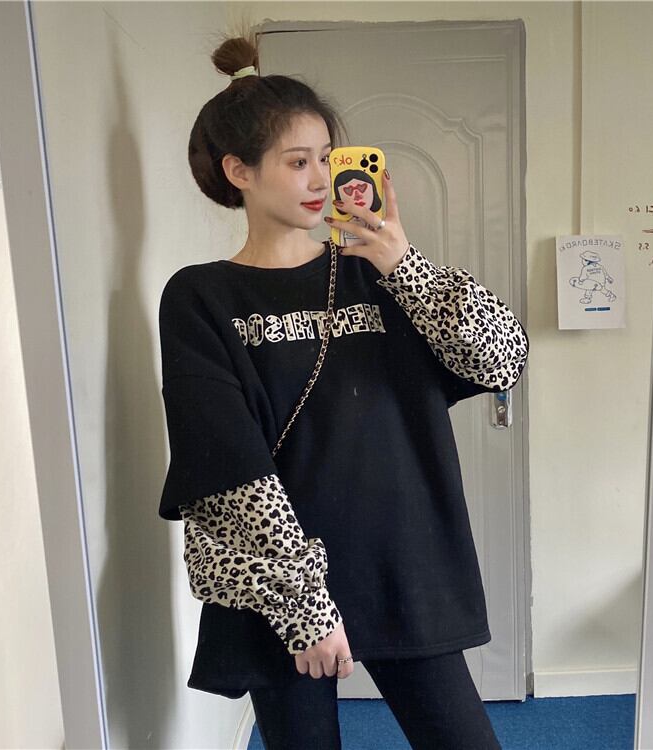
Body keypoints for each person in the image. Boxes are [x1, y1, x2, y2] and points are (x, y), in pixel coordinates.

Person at [158, 28, 529, 750]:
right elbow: (227, 463)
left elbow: (501, 359)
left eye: (327, 159)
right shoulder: (201, 296)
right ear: (239, 171)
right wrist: (306, 608)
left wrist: (405, 264)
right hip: (282, 584)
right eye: (297, 162)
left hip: (403, 562)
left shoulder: (375, 275)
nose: (320, 179)